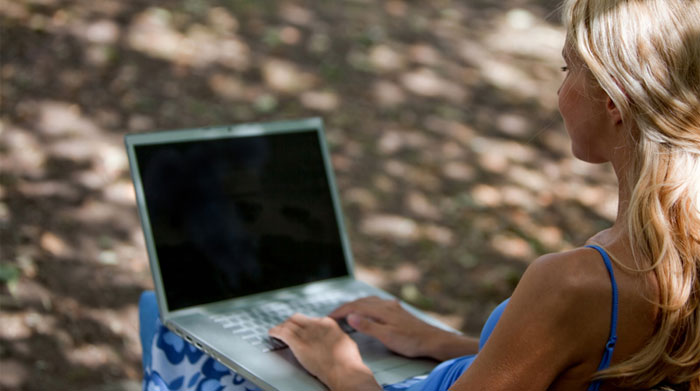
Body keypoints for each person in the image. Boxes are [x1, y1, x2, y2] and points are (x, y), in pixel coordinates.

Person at [140, 0, 700, 389]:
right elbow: (565, 371)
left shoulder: (576, 281)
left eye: (567, 68)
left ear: (613, 99)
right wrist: (440, 341)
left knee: (171, 324)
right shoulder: (673, 257)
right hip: (442, 370)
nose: (558, 90)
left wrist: (341, 368)